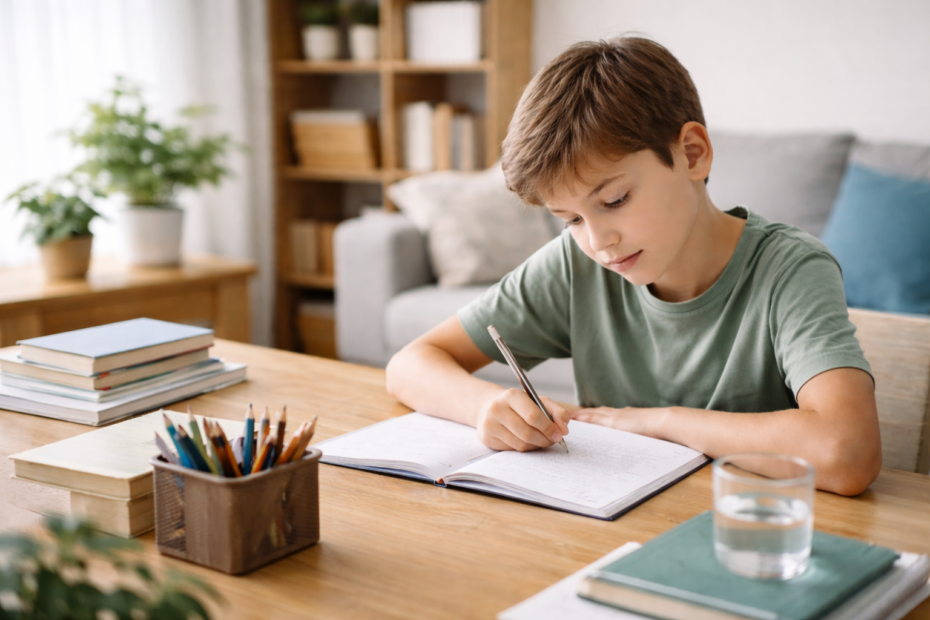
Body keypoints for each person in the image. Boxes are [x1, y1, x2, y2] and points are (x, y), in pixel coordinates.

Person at [385, 37, 880, 496]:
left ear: (692, 154)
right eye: (571, 218)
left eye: (615, 199)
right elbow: (410, 364)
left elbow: (847, 452)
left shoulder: (790, 270)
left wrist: (654, 422)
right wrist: (483, 407)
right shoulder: (576, 263)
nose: (599, 241)